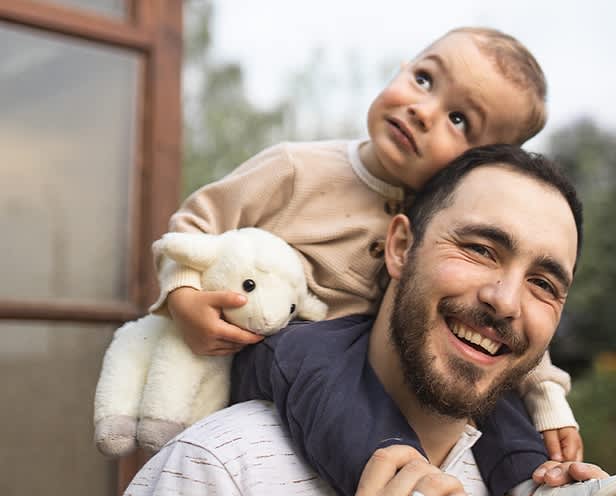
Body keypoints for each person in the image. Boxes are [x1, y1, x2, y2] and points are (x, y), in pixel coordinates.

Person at [99, 146, 616, 496]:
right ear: (399, 247)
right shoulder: (215, 475)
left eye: (544, 283)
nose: (506, 301)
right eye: (480, 249)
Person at [151, 26, 583, 471]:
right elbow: (196, 224)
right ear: (403, 69)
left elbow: (510, 321)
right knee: (318, 362)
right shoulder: (297, 169)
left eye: (459, 120)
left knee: (481, 368)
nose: (422, 111)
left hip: (377, 365)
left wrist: (548, 401)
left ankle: (533, 485)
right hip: (281, 349)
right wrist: (185, 297)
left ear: (479, 167)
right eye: (424, 80)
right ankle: (399, 485)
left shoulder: (446, 223)